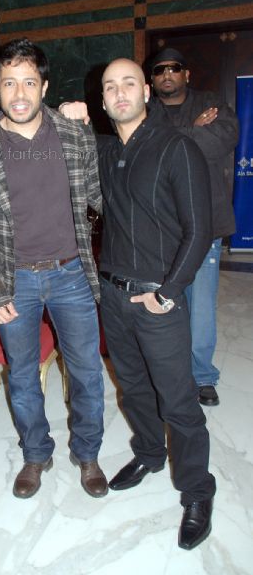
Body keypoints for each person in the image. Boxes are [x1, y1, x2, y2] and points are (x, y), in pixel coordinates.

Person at [61, 58, 216, 550]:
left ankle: (197, 490)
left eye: (129, 83)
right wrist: (71, 117)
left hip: (157, 298)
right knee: (132, 388)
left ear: (146, 92)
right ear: (103, 101)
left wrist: (168, 293)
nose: (120, 92)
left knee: (179, 401)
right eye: (110, 86)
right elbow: (60, 141)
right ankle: (149, 453)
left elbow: (200, 230)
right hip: (113, 294)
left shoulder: (177, 147)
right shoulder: (106, 151)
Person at [0, 38, 108, 500]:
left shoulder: (74, 134)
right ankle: (36, 454)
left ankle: (88, 454)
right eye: (9, 83)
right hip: (13, 279)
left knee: (86, 372)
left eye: (28, 82)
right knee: (21, 375)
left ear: (43, 86)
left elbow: (101, 196)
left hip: (71, 273)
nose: (19, 94)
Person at [150, 47, 239, 407]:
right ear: (152, 79)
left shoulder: (211, 102)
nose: (167, 74)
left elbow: (225, 138)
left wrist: (173, 137)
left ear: (186, 74)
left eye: (174, 68)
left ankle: (202, 376)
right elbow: (145, 148)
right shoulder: (147, 110)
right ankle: (171, 372)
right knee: (164, 305)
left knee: (200, 306)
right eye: (159, 70)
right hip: (160, 226)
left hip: (206, 223)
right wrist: (192, 132)